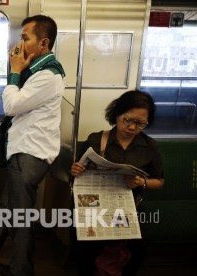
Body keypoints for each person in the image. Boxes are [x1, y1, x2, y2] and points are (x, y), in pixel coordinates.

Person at [0, 15, 65, 276]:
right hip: (24, 149)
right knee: (8, 201)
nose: (19, 43)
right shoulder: (35, 70)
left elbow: (11, 105)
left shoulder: (48, 75)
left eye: (25, 38)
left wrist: (14, 70)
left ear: (43, 43)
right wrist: (19, 68)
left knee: (20, 217)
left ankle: (21, 269)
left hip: (30, 153)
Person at [70, 90, 165, 275]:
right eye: (128, 120)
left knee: (139, 245)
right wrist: (75, 171)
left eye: (140, 124)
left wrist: (141, 182)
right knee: (85, 243)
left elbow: (159, 182)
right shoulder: (96, 140)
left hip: (130, 206)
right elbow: (76, 176)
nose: (132, 127)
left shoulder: (150, 146)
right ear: (117, 114)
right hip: (95, 205)